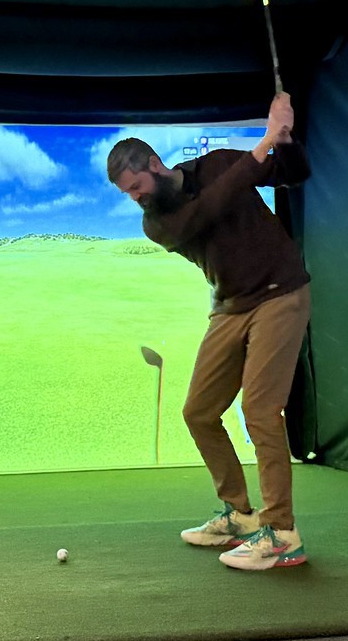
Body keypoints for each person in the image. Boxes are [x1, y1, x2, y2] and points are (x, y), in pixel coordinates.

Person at [107, 94, 312, 571]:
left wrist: (284, 139)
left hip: (281, 293)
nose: (135, 197)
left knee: (260, 410)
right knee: (198, 412)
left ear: (154, 165)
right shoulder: (157, 222)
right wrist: (263, 141)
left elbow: (293, 173)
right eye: (126, 193)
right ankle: (240, 514)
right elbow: (209, 209)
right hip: (230, 306)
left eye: (136, 186)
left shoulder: (217, 163)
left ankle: (281, 533)